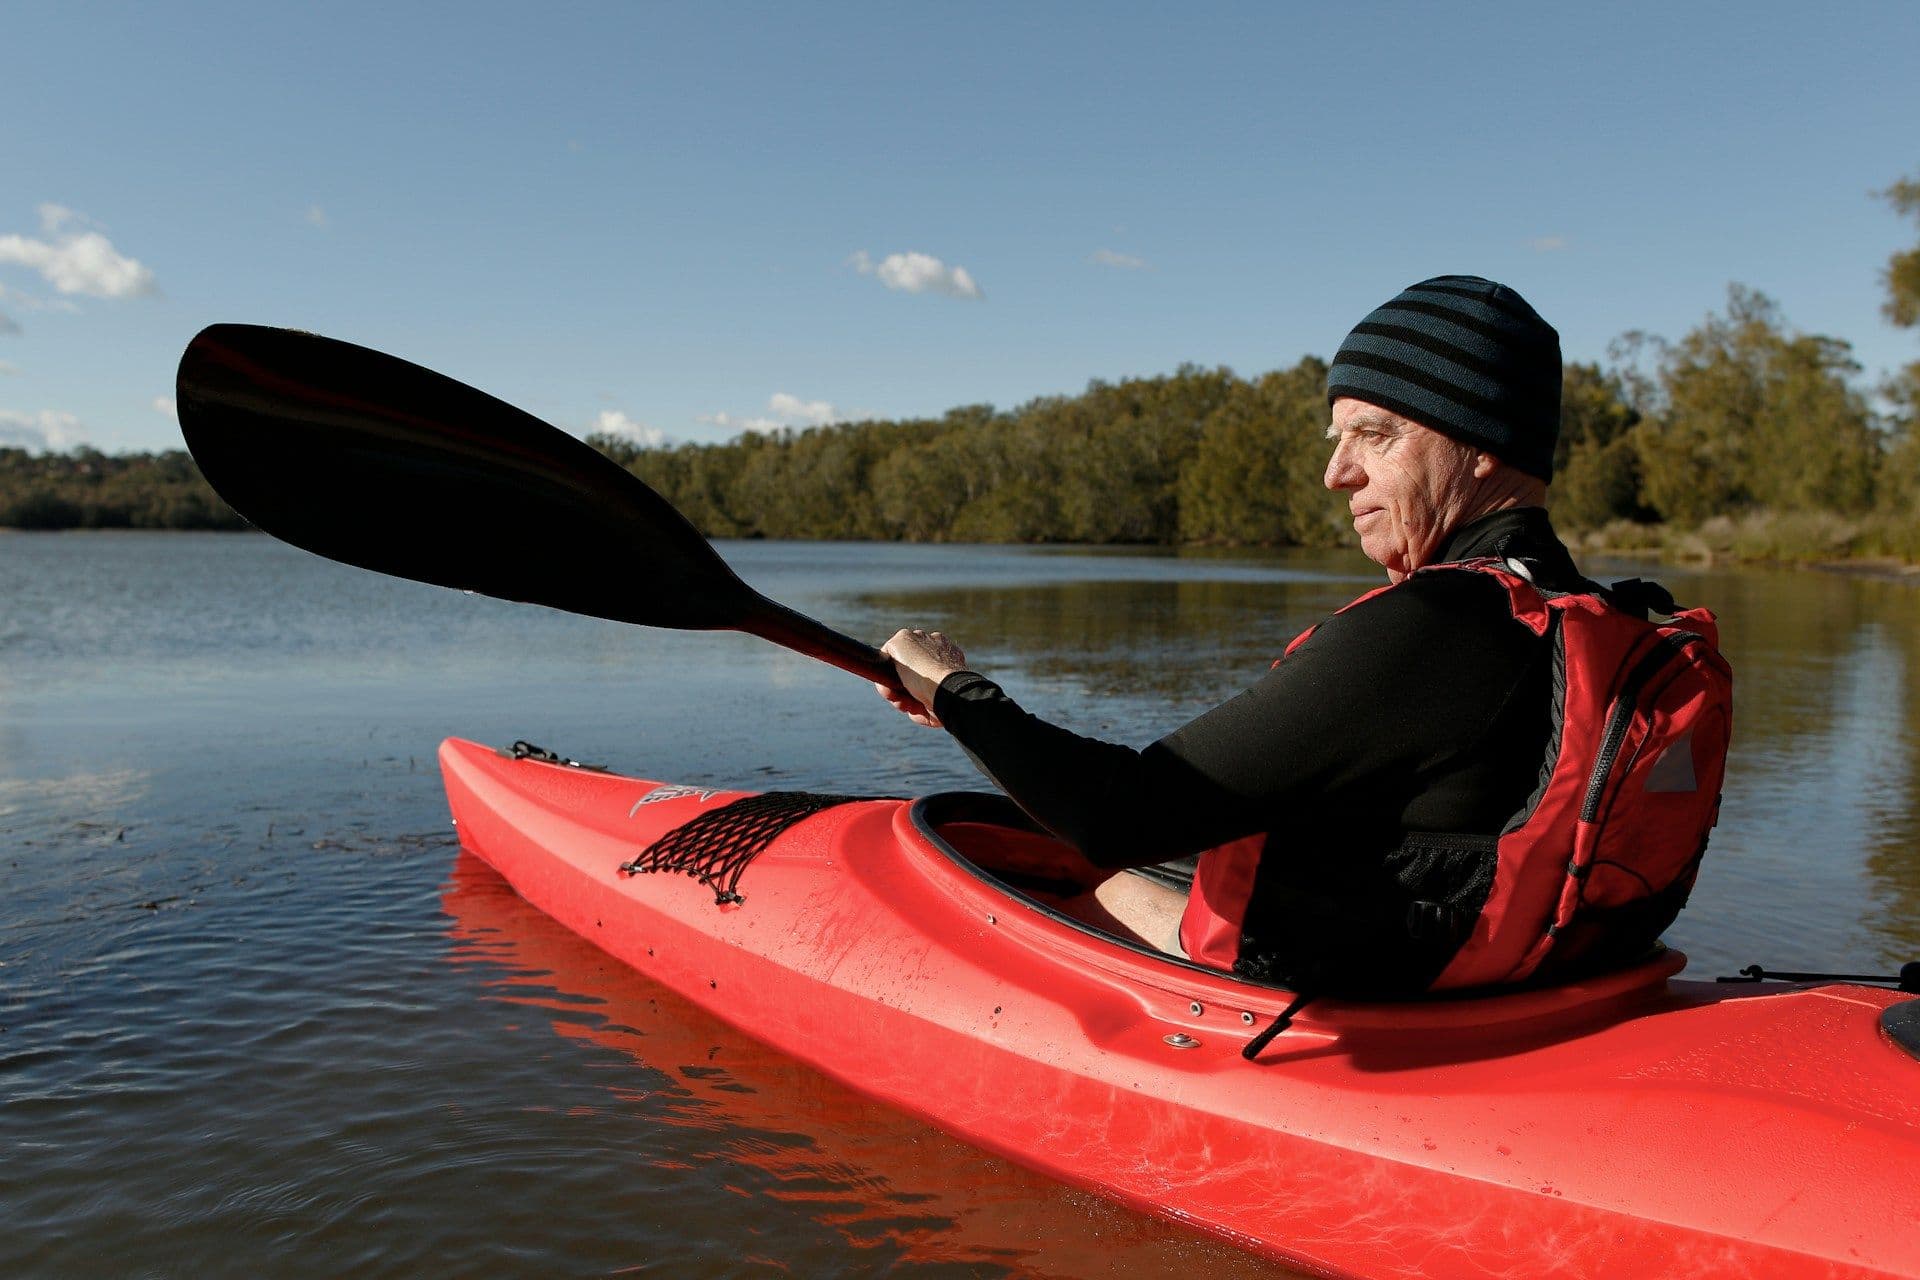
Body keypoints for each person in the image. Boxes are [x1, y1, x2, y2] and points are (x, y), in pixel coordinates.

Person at [875, 276, 1729, 998]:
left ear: (1481, 446)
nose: (1336, 473)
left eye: (1374, 434)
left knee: (1085, 877)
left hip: (1341, 1005)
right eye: (1338, 437)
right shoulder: (1604, 618)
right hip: (1522, 984)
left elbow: (1116, 814)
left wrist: (951, 688)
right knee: (1145, 869)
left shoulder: (1433, 628)